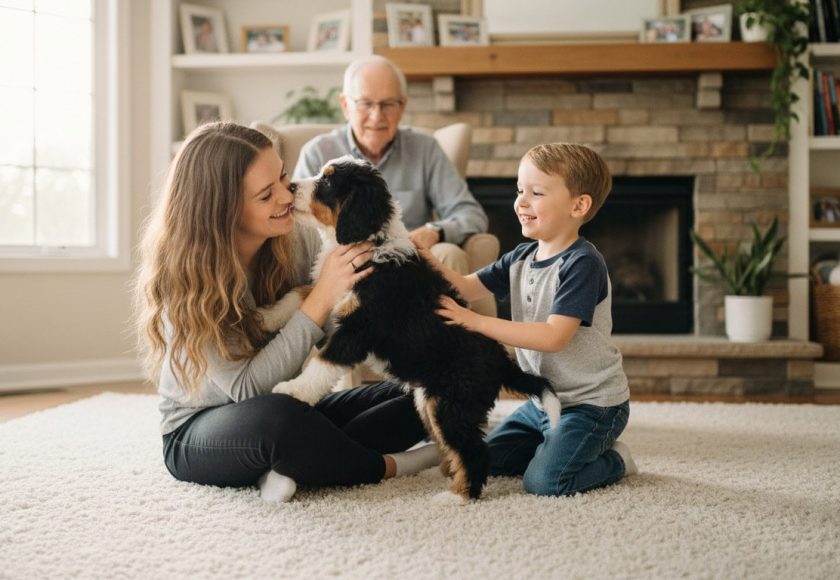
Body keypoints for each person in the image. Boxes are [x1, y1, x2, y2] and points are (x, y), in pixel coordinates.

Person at [134, 122, 438, 503]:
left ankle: (289, 463)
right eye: (266, 194)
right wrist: (321, 296)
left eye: (282, 177)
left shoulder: (291, 235)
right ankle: (392, 465)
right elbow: (247, 391)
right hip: (201, 430)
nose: (286, 194)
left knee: (413, 396)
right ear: (223, 210)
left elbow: (338, 327)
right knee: (280, 421)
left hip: (285, 404)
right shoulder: (187, 280)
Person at [429, 142, 636, 497]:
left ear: (579, 205)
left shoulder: (582, 263)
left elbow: (554, 337)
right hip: (544, 402)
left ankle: (616, 460)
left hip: (591, 406)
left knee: (545, 482)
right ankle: (554, 444)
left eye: (536, 192)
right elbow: (464, 285)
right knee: (487, 461)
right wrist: (413, 252)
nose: (521, 202)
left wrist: (473, 322)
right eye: (519, 190)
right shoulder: (521, 257)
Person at [293, 55, 489, 275]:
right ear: (345, 105)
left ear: (402, 106)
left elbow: (470, 214)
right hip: (341, 264)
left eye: (388, 104)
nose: (377, 117)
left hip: (405, 266)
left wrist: (435, 231)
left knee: (449, 253)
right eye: (365, 103)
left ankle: (451, 311)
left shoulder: (425, 149)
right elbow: (296, 230)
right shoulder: (318, 153)